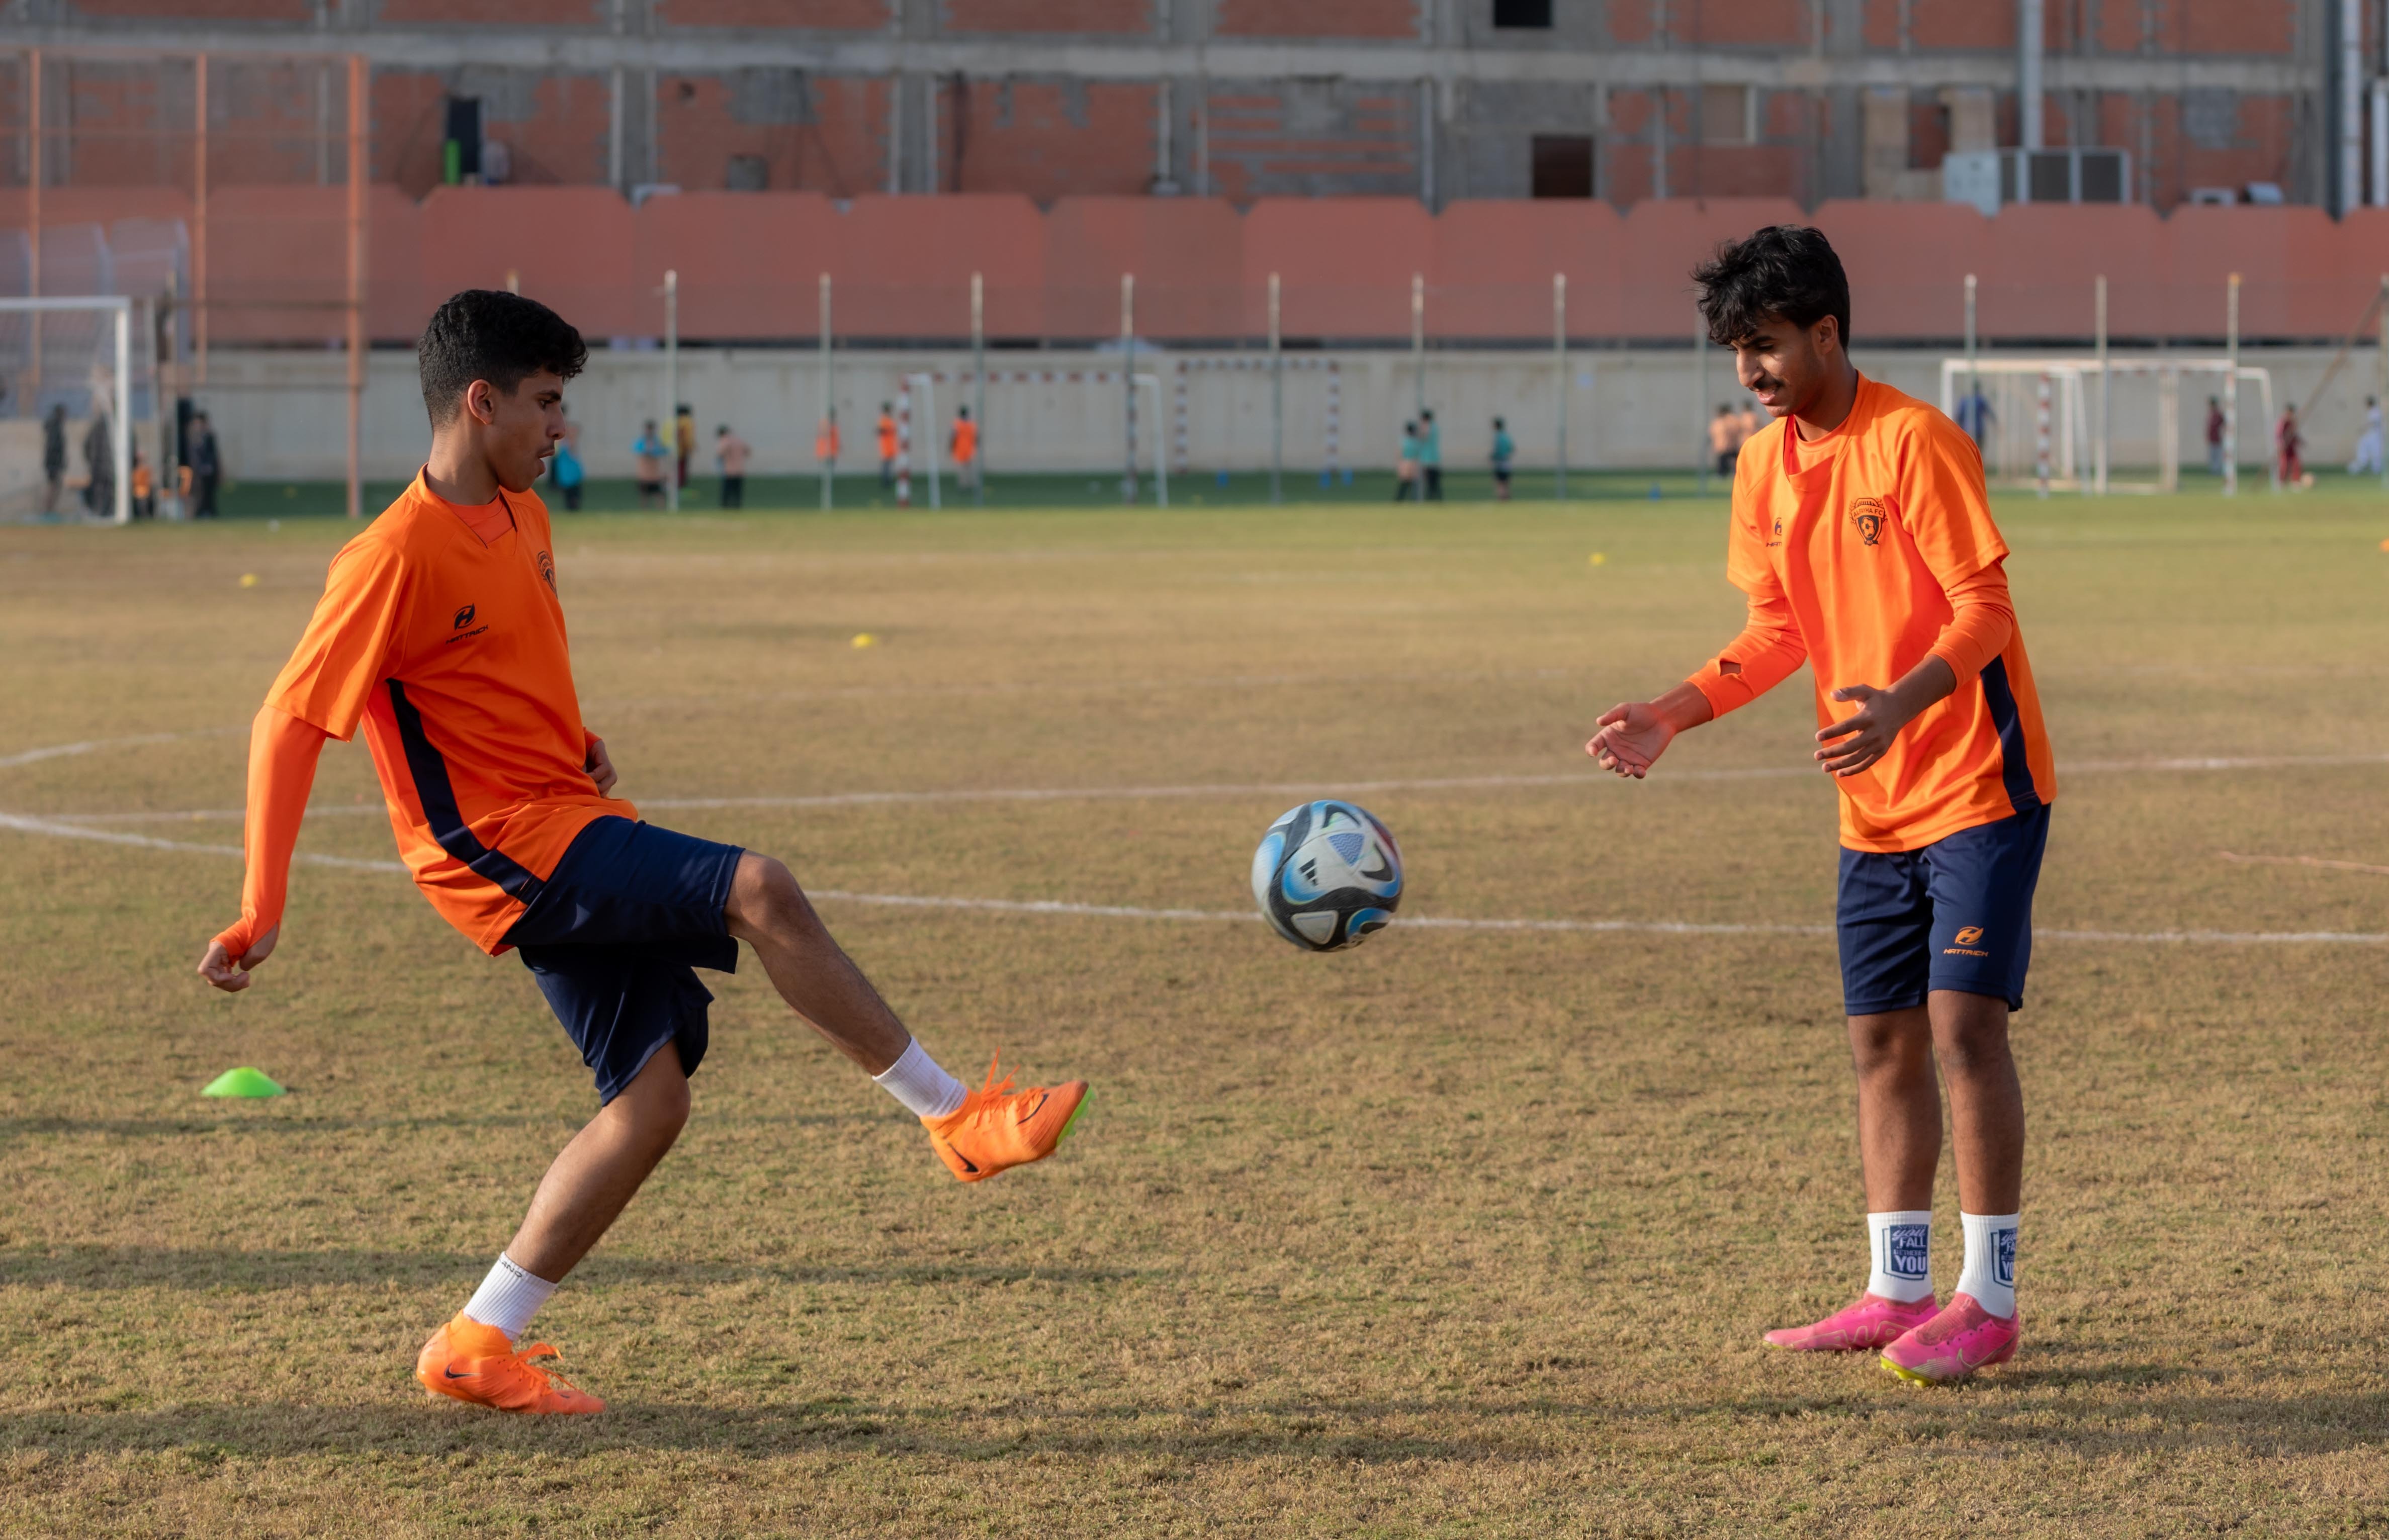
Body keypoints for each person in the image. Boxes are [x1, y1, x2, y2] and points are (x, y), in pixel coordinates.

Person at [196, 289, 1087, 1417]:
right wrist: (259, 906)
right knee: (758, 889)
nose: (560, 428)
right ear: (480, 404)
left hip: (564, 813)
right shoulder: (388, 556)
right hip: (496, 847)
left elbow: (503, 660)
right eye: (545, 403)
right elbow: (287, 720)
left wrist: (573, 737)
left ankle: (477, 1337)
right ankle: (953, 1117)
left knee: (651, 1103)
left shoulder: (523, 514)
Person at [1587, 226, 2052, 1387]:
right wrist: (1672, 710)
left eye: (1764, 345)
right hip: (1872, 802)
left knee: (1960, 1027)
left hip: (1975, 779)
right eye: (1734, 351)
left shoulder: (1914, 441)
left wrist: (1899, 702)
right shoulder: (1761, 467)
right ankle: (1893, 1286)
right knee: (1879, 1041)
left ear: (1826, 333)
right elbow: (1777, 631)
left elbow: (1982, 608)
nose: (1747, 371)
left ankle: (1985, 1299)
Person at [549, 407, 584, 511]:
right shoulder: (563, 443)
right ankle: (571, 505)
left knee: (575, 493)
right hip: (566, 472)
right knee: (569, 493)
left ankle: (574, 505)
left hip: (572, 473)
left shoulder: (570, 444)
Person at [189, 411, 222, 519]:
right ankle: (200, 513)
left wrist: (217, 469)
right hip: (198, 472)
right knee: (199, 493)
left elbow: (215, 455)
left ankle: (210, 512)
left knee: (210, 493)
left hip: (210, 471)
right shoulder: (193, 438)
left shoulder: (210, 437)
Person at [82, 407, 113, 516]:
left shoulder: (100, 428)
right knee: (103, 490)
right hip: (102, 466)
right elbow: (87, 446)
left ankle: (102, 512)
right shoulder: (100, 428)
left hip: (99, 466)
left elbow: (86, 446)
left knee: (103, 490)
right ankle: (102, 512)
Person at [631, 420, 667, 509]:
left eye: (651, 429)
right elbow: (636, 450)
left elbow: (663, 451)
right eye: (648, 429)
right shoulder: (641, 441)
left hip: (655, 473)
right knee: (644, 494)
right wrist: (646, 451)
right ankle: (644, 511)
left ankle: (661, 510)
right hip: (644, 473)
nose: (649, 431)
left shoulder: (657, 441)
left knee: (659, 493)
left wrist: (654, 452)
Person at [715, 423, 750, 508]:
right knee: (738, 490)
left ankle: (725, 505)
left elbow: (720, 453)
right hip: (740, 469)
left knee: (727, 489)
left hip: (729, 469)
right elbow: (748, 451)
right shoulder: (739, 440)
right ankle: (738, 505)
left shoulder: (725, 440)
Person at [41, 403, 65, 514]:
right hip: (53, 464)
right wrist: (58, 463)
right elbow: (54, 447)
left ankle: (49, 509)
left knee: (54, 486)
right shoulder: (55, 427)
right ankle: (48, 510)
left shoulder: (54, 426)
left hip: (51, 463)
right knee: (53, 486)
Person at [1951, 385, 1993, 450]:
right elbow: (1989, 413)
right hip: (1978, 431)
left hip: (1966, 431)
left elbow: (1958, 416)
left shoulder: (1965, 400)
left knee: (1967, 452)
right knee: (1978, 452)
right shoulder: (1980, 400)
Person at [2349, 396, 2382, 477]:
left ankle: (2374, 469)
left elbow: (2374, 422)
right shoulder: (2372, 411)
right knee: (2363, 445)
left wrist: (2363, 428)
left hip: (2376, 436)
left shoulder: (2375, 411)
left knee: (2376, 452)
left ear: (2369, 403)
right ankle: (2362, 464)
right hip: (2372, 435)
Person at [949, 405, 979, 494]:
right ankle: (972, 485)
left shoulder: (957, 424)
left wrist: (950, 447)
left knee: (961, 469)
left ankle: (963, 486)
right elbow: (976, 437)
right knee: (970, 469)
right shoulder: (972, 424)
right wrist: (976, 446)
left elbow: (953, 437)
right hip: (970, 449)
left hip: (960, 449)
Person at [1417, 409, 1443, 501]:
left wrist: (1421, 429)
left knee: (1429, 481)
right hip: (1434, 458)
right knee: (1435, 481)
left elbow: (1423, 437)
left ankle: (1431, 497)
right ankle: (1437, 498)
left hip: (1428, 459)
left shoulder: (1428, 427)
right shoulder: (1435, 427)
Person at [1709, 403, 1741, 478]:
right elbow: (1713, 433)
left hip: (1729, 445)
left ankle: (1735, 473)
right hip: (1722, 445)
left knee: (1734, 460)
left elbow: (1735, 431)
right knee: (1722, 461)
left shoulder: (1730, 420)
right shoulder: (1718, 421)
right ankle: (1722, 474)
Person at [2276, 402, 2304, 487]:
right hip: (2284, 447)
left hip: (2291, 447)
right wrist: (2281, 445)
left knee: (2296, 463)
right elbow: (2279, 435)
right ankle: (2281, 482)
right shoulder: (2283, 423)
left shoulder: (2292, 423)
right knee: (2284, 465)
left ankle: (2295, 482)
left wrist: (2299, 441)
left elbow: (2294, 435)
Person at [1489, 415, 1515, 501]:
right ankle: (1507, 497)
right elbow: (1512, 448)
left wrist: (1493, 457)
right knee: (1506, 482)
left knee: (1500, 482)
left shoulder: (1498, 437)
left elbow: (1497, 451)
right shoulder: (1506, 436)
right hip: (1507, 461)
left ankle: (1501, 498)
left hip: (1500, 462)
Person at [1394, 420, 1419, 502]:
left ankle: (1399, 500)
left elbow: (1399, 453)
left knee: (1405, 484)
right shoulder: (1415, 442)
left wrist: (1399, 465)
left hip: (1405, 463)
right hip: (1412, 463)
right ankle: (1413, 500)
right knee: (1412, 485)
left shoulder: (1404, 441)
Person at [672, 404, 695, 490]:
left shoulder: (671, 421)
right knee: (681, 469)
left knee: (675, 469)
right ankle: (680, 487)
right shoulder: (687, 421)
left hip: (671, 449)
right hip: (682, 449)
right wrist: (690, 447)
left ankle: (674, 488)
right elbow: (685, 435)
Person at [875, 403, 899, 489]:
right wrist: (885, 430)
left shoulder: (890, 420)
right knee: (886, 466)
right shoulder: (884, 420)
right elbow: (879, 431)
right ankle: (885, 482)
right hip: (886, 447)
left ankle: (888, 480)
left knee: (889, 466)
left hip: (891, 446)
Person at [130, 448, 154, 520]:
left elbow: (149, 481)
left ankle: (145, 515)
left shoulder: (145, 469)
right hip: (138, 489)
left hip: (144, 489)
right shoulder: (135, 470)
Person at [2205, 396, 2227, 477]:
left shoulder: (2218, 415)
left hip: (2218, 439)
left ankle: (2217, 471)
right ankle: (2213, 471)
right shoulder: (2210, 415)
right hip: (2212, 439)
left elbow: (2224, 424)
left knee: (2218, 456)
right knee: (2212, 456)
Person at [815, 410, 841, 476]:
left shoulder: (834, 425)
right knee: (825, 470)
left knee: (831, 470)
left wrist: (839, 446)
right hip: (825, 453)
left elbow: (835, 438)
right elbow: (823, 435)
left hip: (832, 452)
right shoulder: (826, 424)